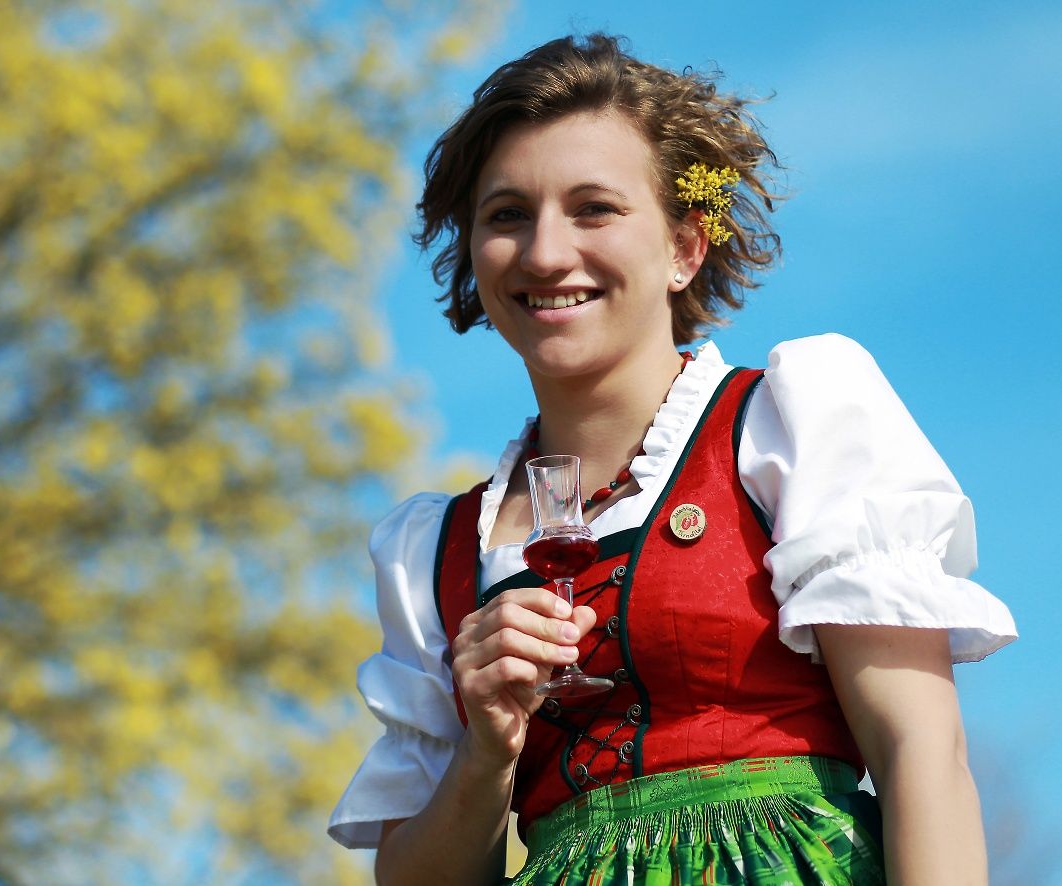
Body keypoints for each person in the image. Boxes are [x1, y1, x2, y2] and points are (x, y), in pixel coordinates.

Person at [327, 34, 1016, 885]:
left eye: (593, 208)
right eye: (506, 215)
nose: (544, 252)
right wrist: (485, 752)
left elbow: (921, 753)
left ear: (685, 249)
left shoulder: (788, 426)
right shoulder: (433, 552)